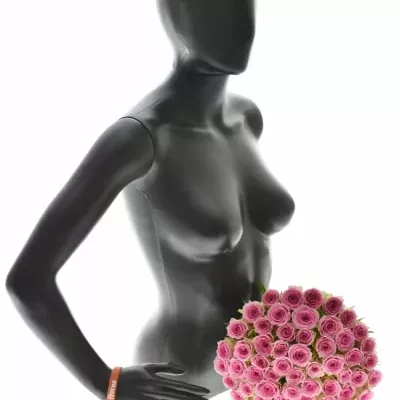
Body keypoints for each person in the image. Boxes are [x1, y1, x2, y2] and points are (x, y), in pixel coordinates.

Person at [5, 1, 295, 399]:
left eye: (242, 5)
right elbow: (27, 280)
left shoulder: (246, 118)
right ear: (174, 14)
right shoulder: (139, 138)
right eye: (213, 7)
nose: (238, 24)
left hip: (258, 372)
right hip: (175, 379)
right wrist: (105, 383)